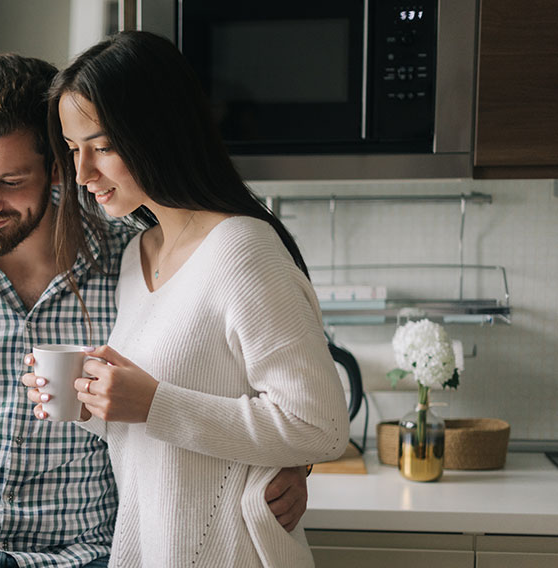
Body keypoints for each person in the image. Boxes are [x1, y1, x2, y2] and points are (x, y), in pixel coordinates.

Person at [0, 52, 311, 568]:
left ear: (57, 166)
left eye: (11, 182)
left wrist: (294, 465)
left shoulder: (133, 255)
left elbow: (275, 382)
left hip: (87, 554)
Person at [21, 31, 349, 567]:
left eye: (102, 147)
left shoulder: (242, 249)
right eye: (74, 150)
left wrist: (152, 403)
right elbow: (164, 435)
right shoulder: (137, 254)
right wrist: (95, 404)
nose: (82, 174)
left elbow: (321, 426)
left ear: (157, 132)